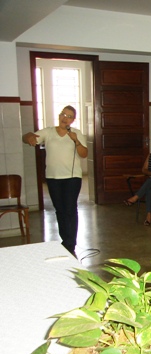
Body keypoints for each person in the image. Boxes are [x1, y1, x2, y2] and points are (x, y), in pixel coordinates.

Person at [22, 105, 88, 256]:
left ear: (73, 120)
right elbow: (27, 137)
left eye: (69, 116)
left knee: (70, 209)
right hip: (53, 178)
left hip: (72, 178)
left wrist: (76, 141)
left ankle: (71, 245)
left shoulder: (76, 133)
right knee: (60, 210)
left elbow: (84, 154)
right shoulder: (49, 131)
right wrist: (29, 136)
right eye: (63, 114)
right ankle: (65, 241)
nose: (65, 118)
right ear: (59, 116)